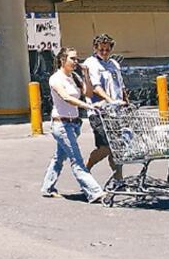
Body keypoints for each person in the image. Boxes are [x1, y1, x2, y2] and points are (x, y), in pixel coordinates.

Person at [41, 47, 104, 203]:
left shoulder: (74, 77)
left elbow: (88, 93)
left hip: (74, 124)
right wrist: (88, 106)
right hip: (61, 124)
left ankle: (47, 187)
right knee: (77, 160)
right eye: (72, 59)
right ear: (63, 60)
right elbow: (66, 97)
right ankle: (94, 192)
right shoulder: (56, 79)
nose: (76, 62)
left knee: (59, 157)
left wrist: (86, 74)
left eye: (77, 59)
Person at [83, 33, 125, 182]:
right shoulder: (91, 63)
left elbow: (120, 85)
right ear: (95, 48)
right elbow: (95, 87)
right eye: (101, 49)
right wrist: (110, 100)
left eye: (107, 49)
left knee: (118, 147)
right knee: (105, 147)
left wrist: (126, 101)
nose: (104, 52)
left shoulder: (114, 64)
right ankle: (85, 169)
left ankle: (119, 179)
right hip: (99, 111)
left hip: (116, 112)